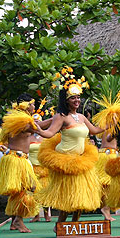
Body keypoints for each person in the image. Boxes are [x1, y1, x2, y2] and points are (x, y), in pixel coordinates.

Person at [35, 68, 103, 226]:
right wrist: (38, 129)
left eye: (78, 97)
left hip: (81, 160)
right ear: (66, 100)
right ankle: (60, 226)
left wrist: (110, 124)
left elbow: (94, 131)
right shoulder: (61, 116)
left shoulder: (81, 117)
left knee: (81, 196)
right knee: (69, 197)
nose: (77, 101)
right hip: (65, 160)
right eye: (73, 98)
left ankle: (75, 225)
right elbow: (50, 133)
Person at [0, 94, 42, 233]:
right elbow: (38, 128)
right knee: (28, 187)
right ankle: (18, 220)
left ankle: (14, 222)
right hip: (17, 159)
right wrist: (58, 119)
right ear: (26, 105)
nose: (34, 107)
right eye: (32, 104)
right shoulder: (22, 121)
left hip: (17, 158)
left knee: (18, 190)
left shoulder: (17, 119)